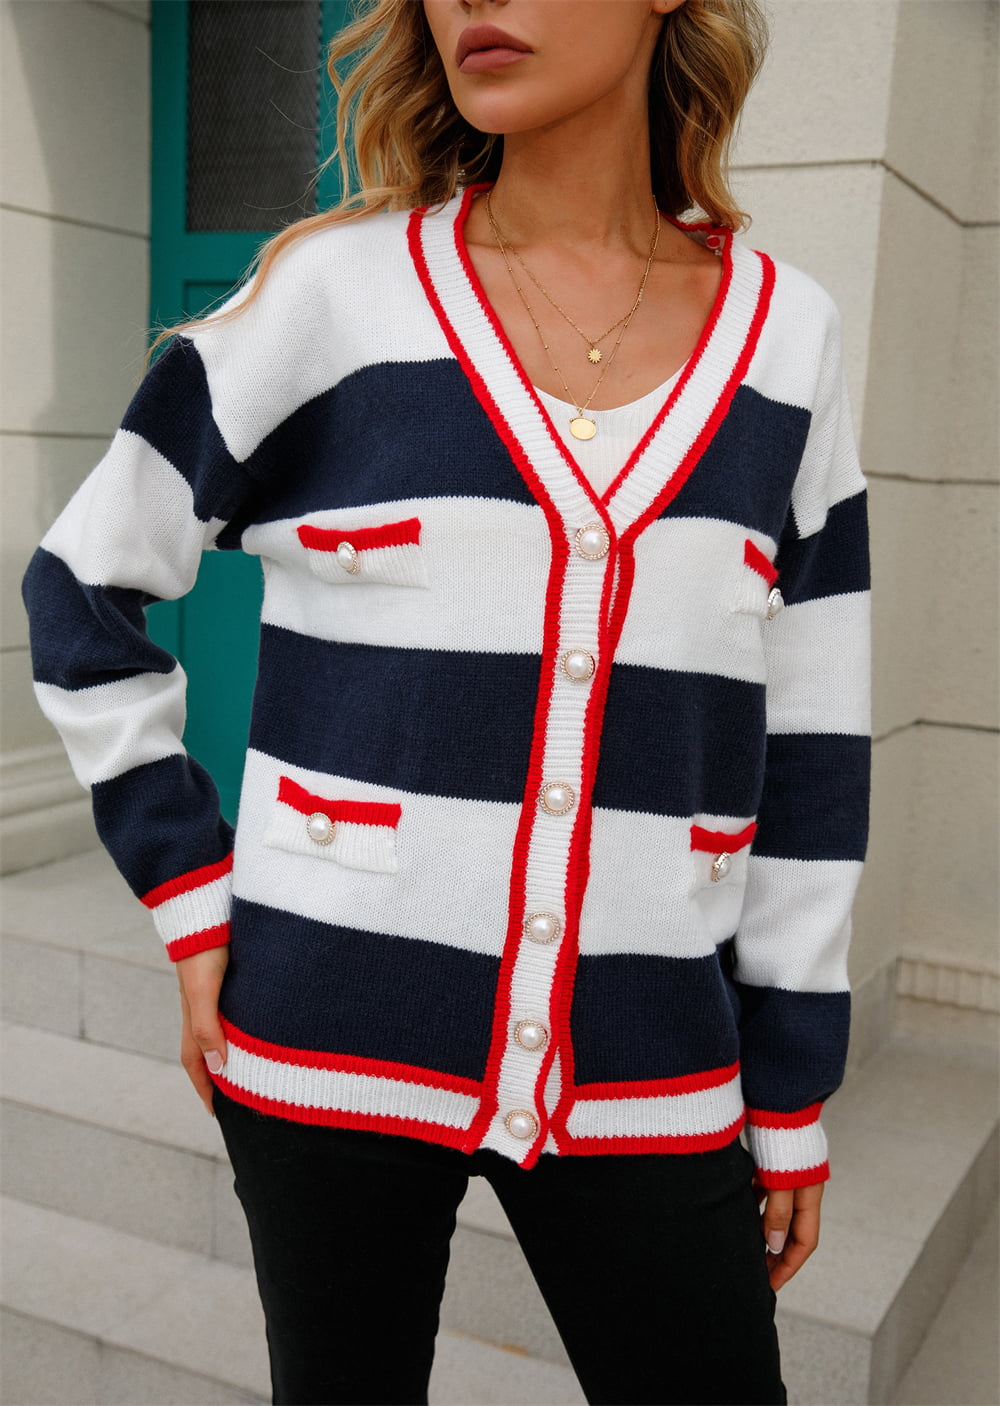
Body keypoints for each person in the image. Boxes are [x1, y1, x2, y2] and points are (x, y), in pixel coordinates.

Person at [22, 1, 871, 1402]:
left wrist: (789, 1083)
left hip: (653, 1052)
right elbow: (81, 587)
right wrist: (191, 895)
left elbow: (816, 742)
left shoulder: (790, 338)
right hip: (319, 1040)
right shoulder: (332, 297)